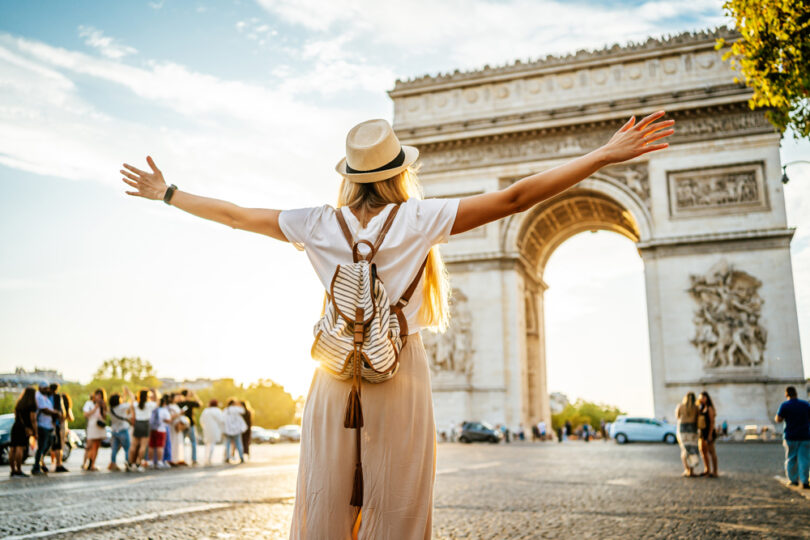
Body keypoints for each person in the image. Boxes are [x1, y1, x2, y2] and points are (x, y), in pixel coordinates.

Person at [121, 111, 673, 538]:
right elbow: (516, 197)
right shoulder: (417, 218)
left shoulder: (316, 222)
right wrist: (601, 155)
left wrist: (169, 193)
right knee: (400, 500)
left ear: (350, 176)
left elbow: (238, 216)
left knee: (325, 498)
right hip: (399, 369)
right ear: (398, 171)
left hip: (333, 373)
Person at [775, 386, 810, 488]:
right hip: (805, 435)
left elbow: (778, 419)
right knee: (805, 459)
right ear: (796, 393)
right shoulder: (805, 405)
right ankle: (804, 481)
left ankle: (793, 480)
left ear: (786, 395)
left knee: (791, 459)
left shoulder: (785, 405)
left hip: (791, 436)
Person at [32, 381, 61, 475]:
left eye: (47, 388)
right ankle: (36, 466)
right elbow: (44, 409)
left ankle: (40, 462)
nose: (47, 390)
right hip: (42, 425)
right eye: (45, 388)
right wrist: (55, 413)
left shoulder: (45, 397)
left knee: (48, 444)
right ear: (40, 388)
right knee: (41, 446)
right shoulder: (38, 396)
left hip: (48, 425)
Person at [10, 387, 38, 477]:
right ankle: (19, 470)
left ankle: (13, 470)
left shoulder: (19, 403)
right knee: (20, 448)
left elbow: (15, 415)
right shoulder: (32, 405)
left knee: (13, 448)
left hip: (16, 426)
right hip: (25, 428)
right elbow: (33, 419)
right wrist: (35, 431)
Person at [675, 392, 700, 477]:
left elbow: (677, 416)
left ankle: (686, 470)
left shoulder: (680, 406)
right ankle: (691, 471)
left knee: (684, 450)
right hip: (692, 429)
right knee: (692, 450)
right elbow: (698, 418)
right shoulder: (696, 408)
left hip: (683, 429)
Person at [130, 389, 156, 471]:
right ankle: (138, 463)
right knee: (143, 446)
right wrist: (154, 392)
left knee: (133, 445)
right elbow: (157, 402)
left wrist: (129, 393)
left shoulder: (135, 404)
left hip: (137, 423)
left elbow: (132, 401)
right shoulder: (149, 404)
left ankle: (131, 463)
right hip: (145, 424)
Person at [48, 383, 72, 473]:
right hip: (56, 424)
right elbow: (62, 412)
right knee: (58, 446)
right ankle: (58, 464)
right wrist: (61, 418)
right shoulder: (57, 397)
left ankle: (48, 463)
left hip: (47, 424)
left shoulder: (46, 397)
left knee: (49, 446)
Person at [82, 388, 107, 472]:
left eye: (100, 396)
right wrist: (95, 408)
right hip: (92, 425)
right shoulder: (89, 403)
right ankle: (84, 463)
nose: (98, 397)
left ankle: (92, 464)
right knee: (88, 446)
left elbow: (104, 417)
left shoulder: (103, 404)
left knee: (96, 446)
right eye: (97, 395)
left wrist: (103, 407)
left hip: (99, 425)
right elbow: (85, 414)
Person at [109, 389, 133, 471]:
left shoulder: (111, 409)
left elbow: (122, 402)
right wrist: (129, 393)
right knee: (127, 448)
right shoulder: (122, 407)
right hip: (123, 429)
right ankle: (127, 463)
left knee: (114, 449)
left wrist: (124, 395)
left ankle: (113, 463)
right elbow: (132, 402)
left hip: (114, 430)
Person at [148, 393, 172, 469]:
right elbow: (168, 420)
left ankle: (150, 461)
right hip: (161, 430)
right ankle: (159, 461)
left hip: (152, 429)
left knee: (151, 445)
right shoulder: (164, 411)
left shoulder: (154, 410)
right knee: (160, 446)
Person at [698, 391, 718, 478]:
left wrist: (710, 435)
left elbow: (712, 422)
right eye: (700, 397)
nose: (701, 399)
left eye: (703, 397)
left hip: (708, 432)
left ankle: (715, 471)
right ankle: (707, 469)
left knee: (711, 452)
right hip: (702, 433)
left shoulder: (709, 408)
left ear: (707, 398)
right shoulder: (702, 408)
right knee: (703, 451)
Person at [178, 389, 201, 465]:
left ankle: (182, 458)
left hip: (182, 424)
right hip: (190, 424)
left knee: (182, 442)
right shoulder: (190, 403)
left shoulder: (179, 403)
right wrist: (194, 395)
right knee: (193, 442)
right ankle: (194, 459)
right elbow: (200, 404)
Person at [199, 399, 224, 465]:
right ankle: (209, 458)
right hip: (215, 429)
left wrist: (204, 426)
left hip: (206, 429)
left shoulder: (206, 410)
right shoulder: (217, 411)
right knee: (212, 444)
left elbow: (201, 420)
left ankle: (206, 458)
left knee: (207, 444)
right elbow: (221, 420)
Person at [223, 398, 246, 464]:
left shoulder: (226, 410)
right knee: (239, 443)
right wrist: (239, 405)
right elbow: (243, 411)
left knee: (227, 444)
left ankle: (227, 457)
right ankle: (241, 457)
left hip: (228, 430)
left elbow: (222, 419)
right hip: (237, 429)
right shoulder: (237, 409)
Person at [169, 393, 189, 466]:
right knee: (173, 442)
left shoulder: (175, 405)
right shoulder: (170, 406)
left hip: (178, 425)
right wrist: (180, 413)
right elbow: (170, 417)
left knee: (179, 442)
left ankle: (179, 458)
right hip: (173, 426)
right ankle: (172, 459)